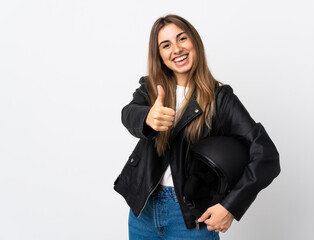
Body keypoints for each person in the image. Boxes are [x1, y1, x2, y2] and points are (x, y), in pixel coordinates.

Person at [113, 14, 280, 240]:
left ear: (195, 42)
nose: (176, 49)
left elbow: (266, 155)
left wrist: (230, 206)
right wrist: (147, 117)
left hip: (190, 218)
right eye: (166, 45)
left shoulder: (220, 98)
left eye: (182, 38)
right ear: (160, 56)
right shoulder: (151, 88)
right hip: (143, 213)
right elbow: (128, 113)